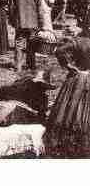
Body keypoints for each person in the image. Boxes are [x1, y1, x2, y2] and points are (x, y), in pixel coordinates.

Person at [47, 27, 90, 157]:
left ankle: (68, 140)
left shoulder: (77, 41)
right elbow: (59, 50)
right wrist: (70, 66)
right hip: (82, 79)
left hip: (77, 79)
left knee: (70, 109)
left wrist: (68, 65)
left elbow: (59, 50)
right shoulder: (80, 41)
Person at [8, 0, 46, 71]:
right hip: (34, 23)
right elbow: (40, 8)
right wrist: (41, 23)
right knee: (32, 44)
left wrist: (12, 20)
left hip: (20, 21)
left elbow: (11, 7)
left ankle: (18, 66)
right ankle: (31, 65)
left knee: (19, 44)